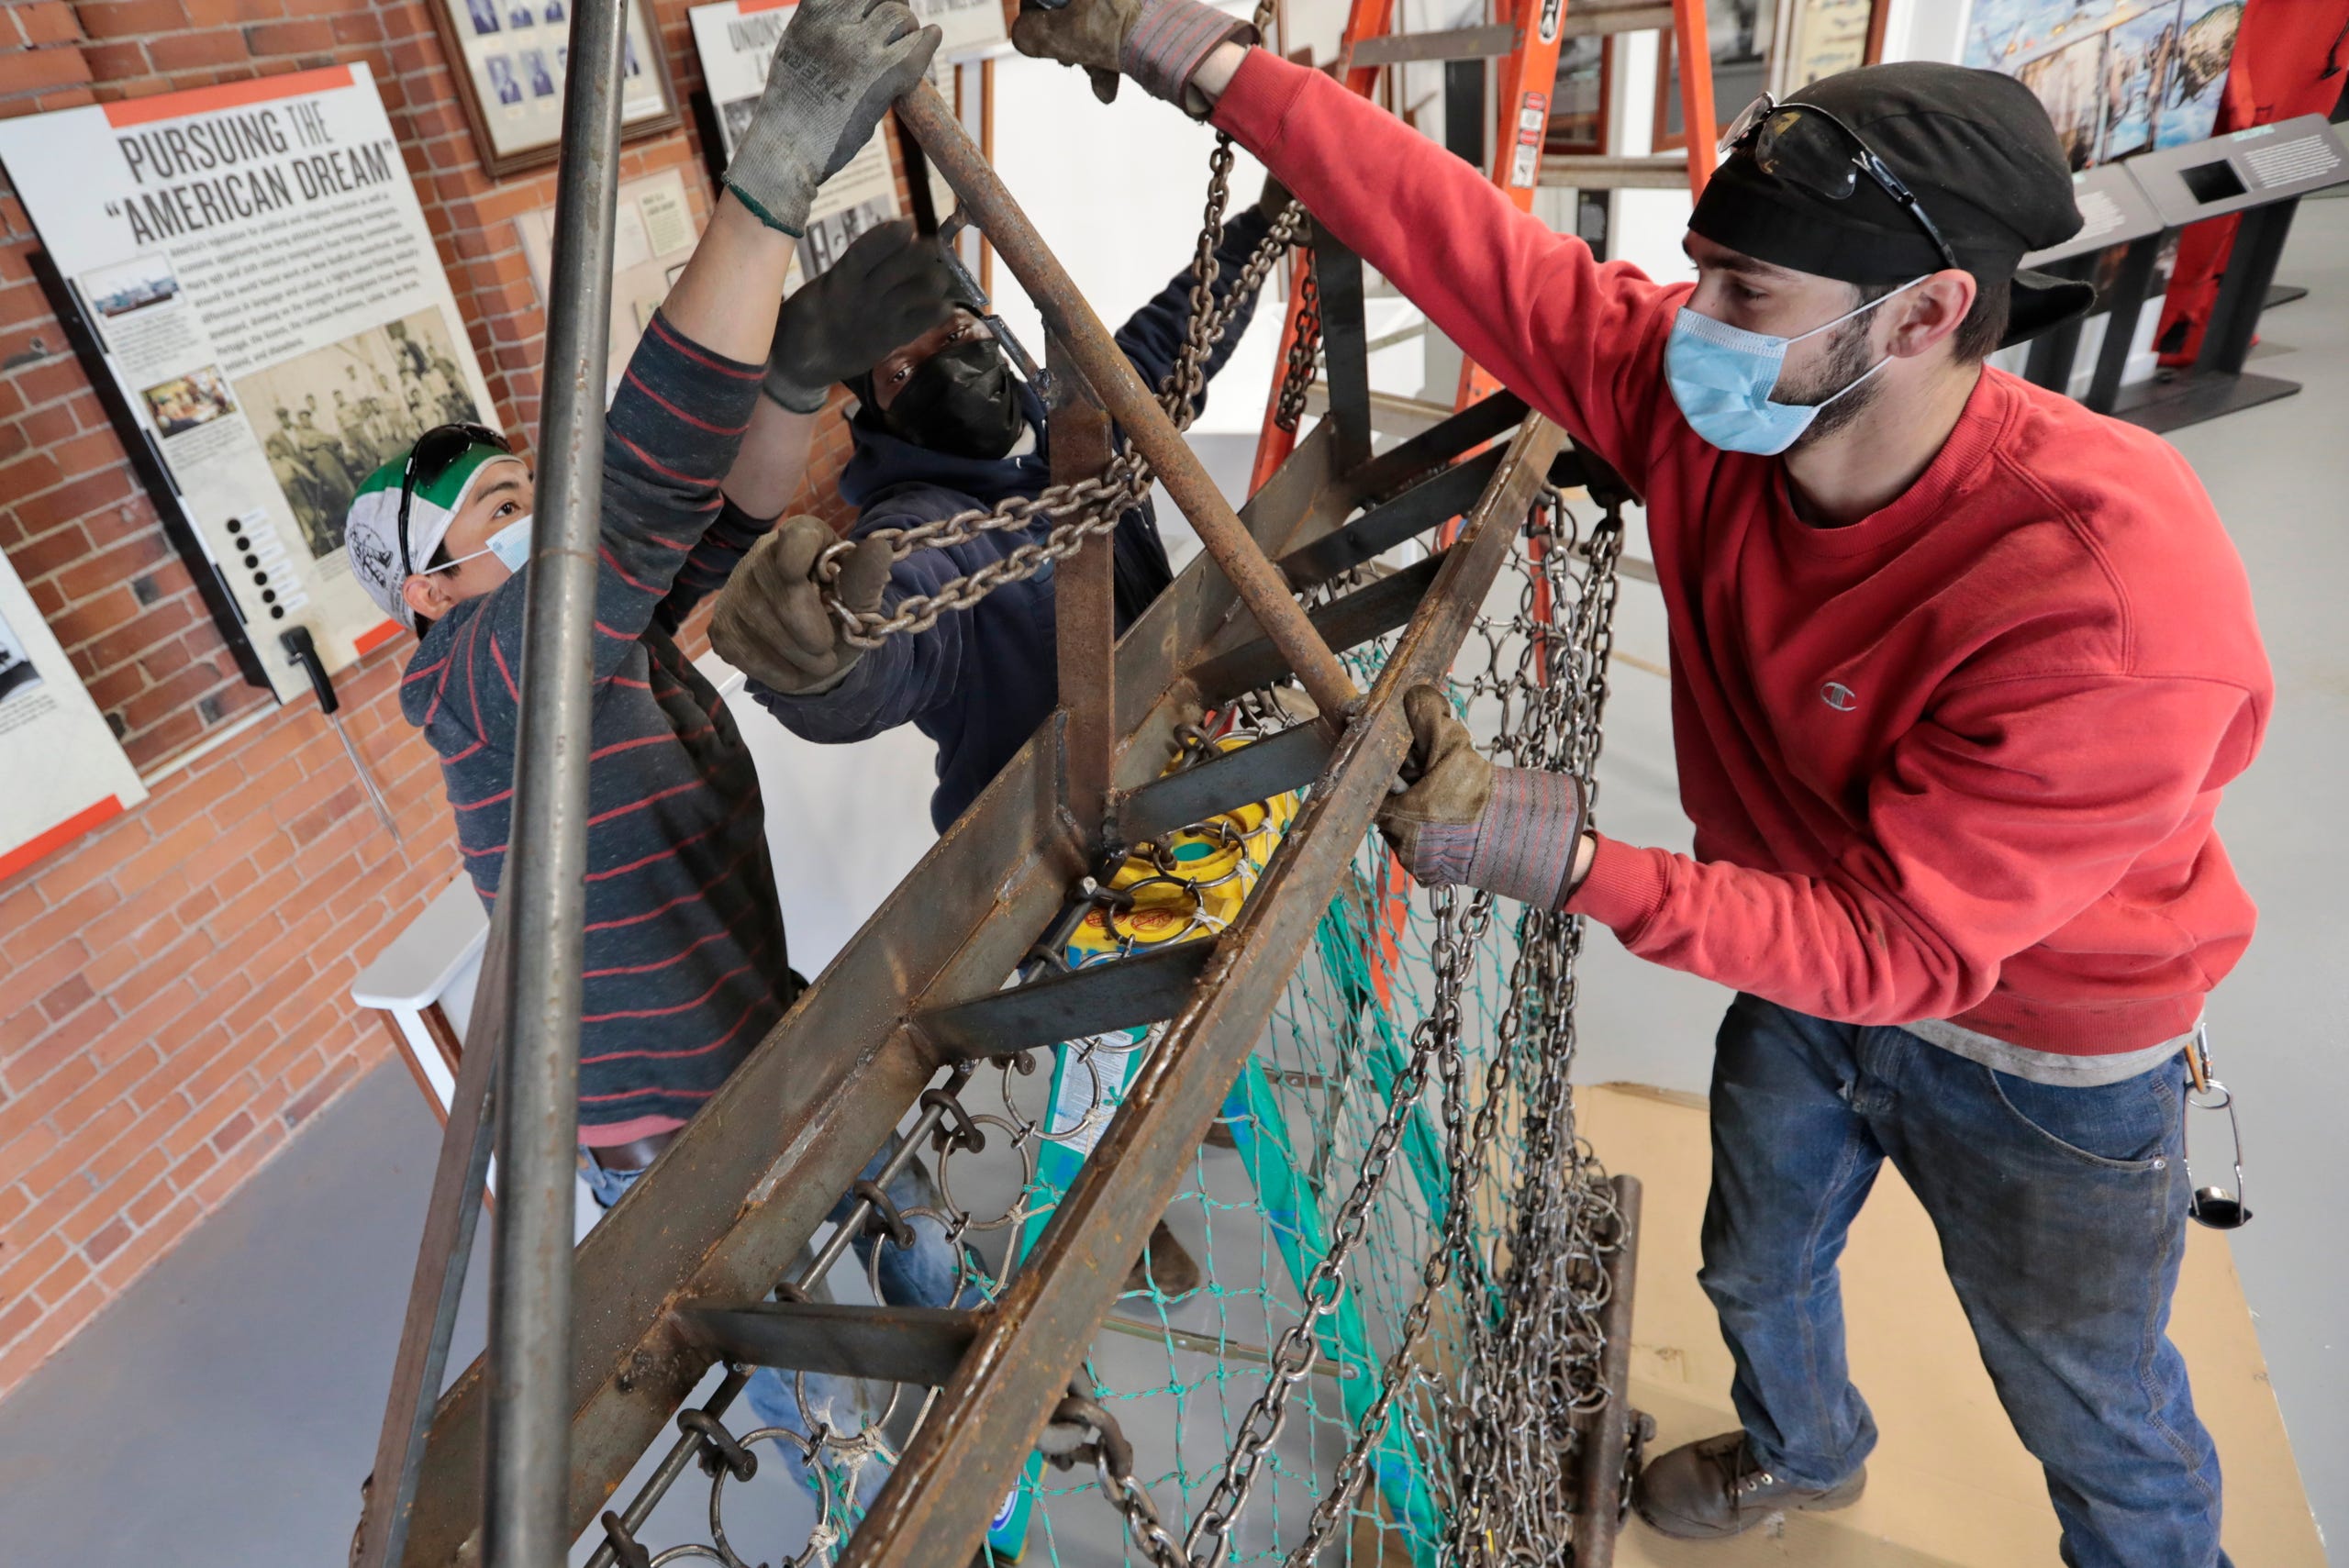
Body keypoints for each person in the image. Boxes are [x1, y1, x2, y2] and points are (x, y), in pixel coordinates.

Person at [1012, 8, 2271, 1564]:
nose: (1694, 321)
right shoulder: (1711, 413)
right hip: (1810, 971)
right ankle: (1807, 1446)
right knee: (1756, 1262)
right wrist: (1196, 52)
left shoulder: (2107, 598)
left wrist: (1579, 862)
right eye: (1700, 271)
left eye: (1744, 293)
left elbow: (1911, 951)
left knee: (2091, 1394)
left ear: (1925, 315)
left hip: (2048, 1045)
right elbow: (1465, 237)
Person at [340, 0, 965, 1513]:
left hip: (774, 1049)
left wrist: (801, 373)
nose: (532, 511)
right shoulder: (478, 681)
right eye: (498, 507)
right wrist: (772, 179)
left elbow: (717, 519)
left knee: (920, 1247)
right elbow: (619, 515)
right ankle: (891, 1498)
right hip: (688, 1149)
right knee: (837, 1383)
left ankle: (953, 1378)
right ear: (423, 589)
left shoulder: (587, 646)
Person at [706, 184, 1283, 834]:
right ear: (876, 414)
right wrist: (824, 669)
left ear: (988, 331)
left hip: (1187, 755)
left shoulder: (1085, 425)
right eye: (900, 373)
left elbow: (1173, 338)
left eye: (953, 335)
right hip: (1064, 853)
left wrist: (1259, 227)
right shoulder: (921, 524)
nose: (941, 368)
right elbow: (896, 641)